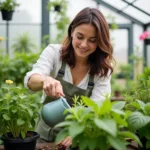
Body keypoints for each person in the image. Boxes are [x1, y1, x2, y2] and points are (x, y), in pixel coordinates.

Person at [24, 7, 113, 149]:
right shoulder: (54, 53)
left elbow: (98, 108)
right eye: (80, 37)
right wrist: (45, 80)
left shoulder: (102, 71)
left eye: (92, 40)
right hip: (43, 134)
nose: (84, 44)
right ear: (72, 32)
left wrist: (78, 132)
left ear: (100, 42)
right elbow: (31, 81)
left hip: (76, 139)